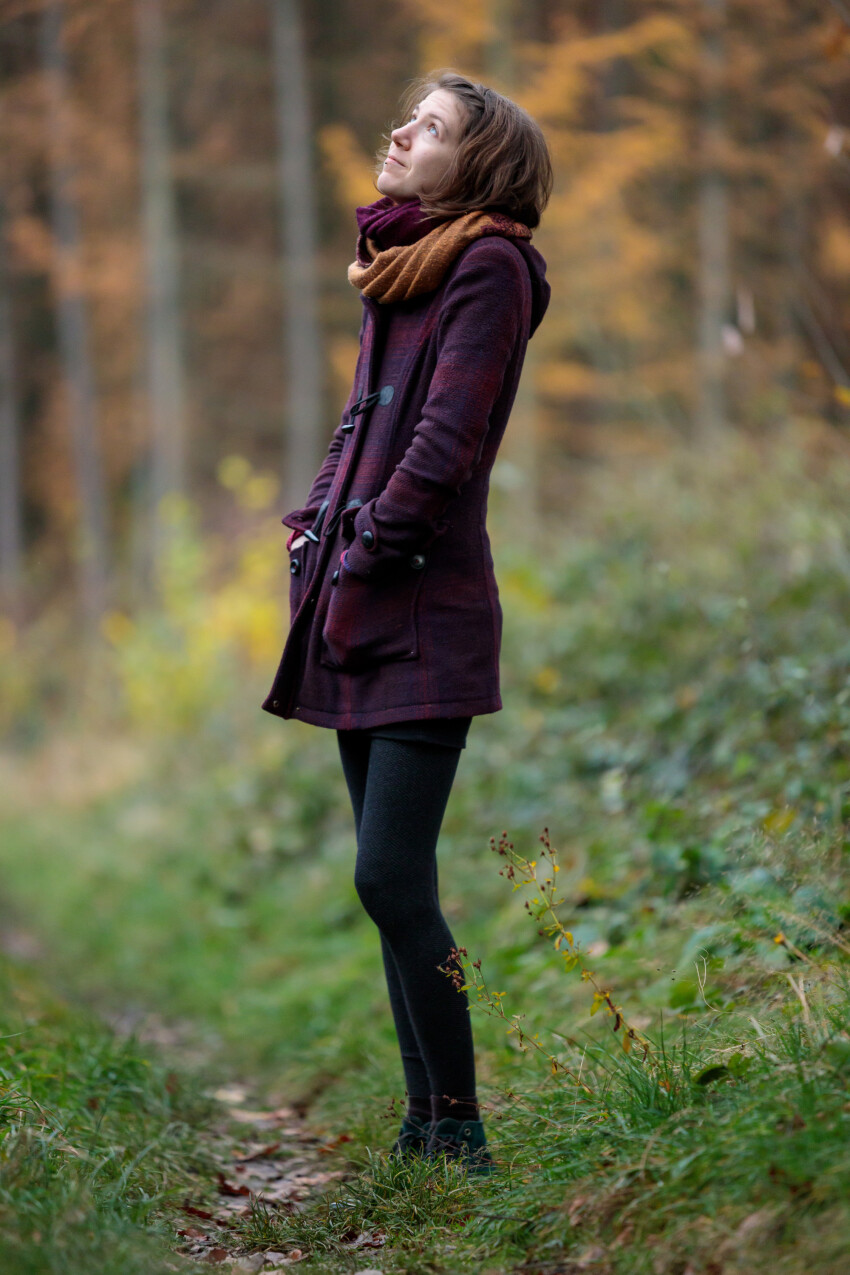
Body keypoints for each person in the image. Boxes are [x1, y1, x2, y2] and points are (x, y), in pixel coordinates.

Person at [262, 69, 552, 1173]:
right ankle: (421, 1127)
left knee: (388, 877)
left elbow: (445, 443)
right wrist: (310, 528)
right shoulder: (402, 269)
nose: (399, 131)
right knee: (390, 886)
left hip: (424, 606)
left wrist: (371, 547)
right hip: (354, 600)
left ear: (476, 166)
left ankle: (460, 1129)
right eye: (410, 118)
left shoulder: (488, 266)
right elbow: (358, 423)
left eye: (428, 129)